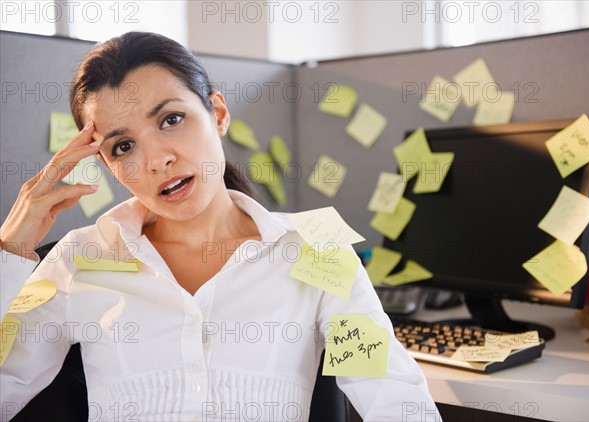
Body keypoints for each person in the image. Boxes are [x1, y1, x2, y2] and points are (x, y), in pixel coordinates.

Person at [0, 32, 441, 421]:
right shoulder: (81, 259)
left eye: (171, 119)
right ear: (108, 166)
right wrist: (10, 249)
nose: (156, 160)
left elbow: (390, 395)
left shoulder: (317, 249)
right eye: (123, 146)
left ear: (218, 113)